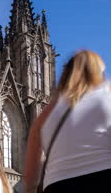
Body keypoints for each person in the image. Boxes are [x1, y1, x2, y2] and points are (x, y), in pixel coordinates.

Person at [24, 50, 111, 193]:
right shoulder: (106, 94)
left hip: (56, 185)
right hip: (102, 178)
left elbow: (30, 175)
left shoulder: (50, 109)